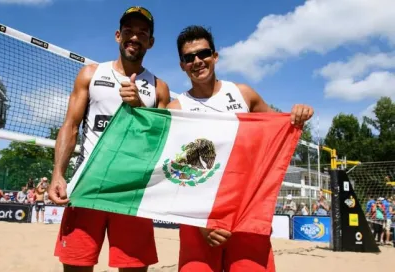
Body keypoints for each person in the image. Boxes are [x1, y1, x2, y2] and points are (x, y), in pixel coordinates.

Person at [167, 25, 314, 272]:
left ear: (215, 56)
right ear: (182, 65)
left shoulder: (243, 94)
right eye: (188, 57)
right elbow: (174, 174)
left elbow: (279, 131)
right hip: (199, 217)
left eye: (203, 53)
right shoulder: (176, 109)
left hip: (247, 210)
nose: (197, 61)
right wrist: (203, 223)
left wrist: (297, 115)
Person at [49, 6, 171, 272]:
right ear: (118, 35)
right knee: (76, 266)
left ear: (151, 42)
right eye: (129, 31)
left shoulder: (159, 87)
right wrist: (58, 174)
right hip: (87, 185)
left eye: (142, 33)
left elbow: (159, 143)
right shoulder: (91, 74)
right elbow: (70, 127)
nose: (134, 37)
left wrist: (139, 108)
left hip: (131, 191)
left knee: (134, 268)